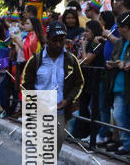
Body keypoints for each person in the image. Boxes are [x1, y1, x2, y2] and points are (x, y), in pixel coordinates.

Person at [21, 20, 84, 155]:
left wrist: (67, 100)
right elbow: (25, 85)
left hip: (60, 114)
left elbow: (79, 83)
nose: (58, 44)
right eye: (55, 40)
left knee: (53, 150)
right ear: (47, 38)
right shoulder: (35, 60)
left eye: (61, 40)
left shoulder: (71, 60)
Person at [105, 11, 130, 156]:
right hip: (118, 86)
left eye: (120, 26)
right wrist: (111, 64)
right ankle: (126, 144)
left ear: (126, 27)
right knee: (119, 116)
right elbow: (114, 58)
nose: (118, 29)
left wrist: (126, 64)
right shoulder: (120, 43)